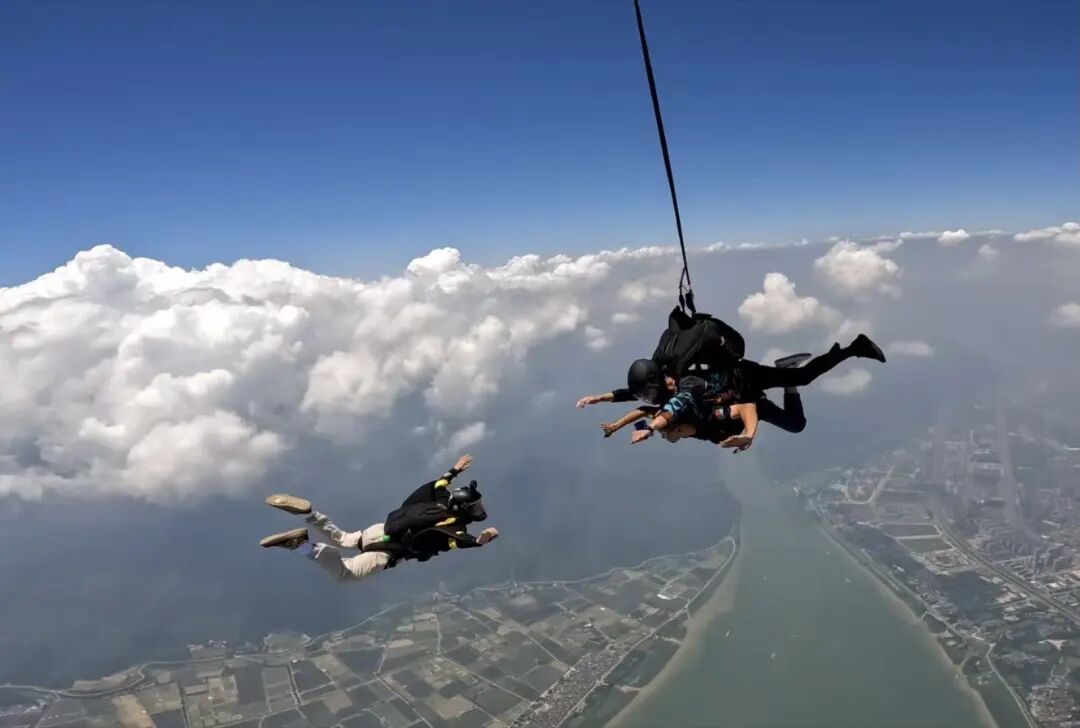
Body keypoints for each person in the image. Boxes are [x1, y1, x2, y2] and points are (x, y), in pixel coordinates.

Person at [258, 455, 499, 583]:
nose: (478, 510)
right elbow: (457, 541)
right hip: (386, 551)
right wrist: (480, 540)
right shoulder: (454, 526)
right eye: (474, 507)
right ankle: (303, 545)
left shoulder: (441, 500)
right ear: (461, 508)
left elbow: (440, 484)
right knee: (345, 574)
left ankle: (310, 514)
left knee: (342, 538)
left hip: (377, 530)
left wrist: (454, 470)